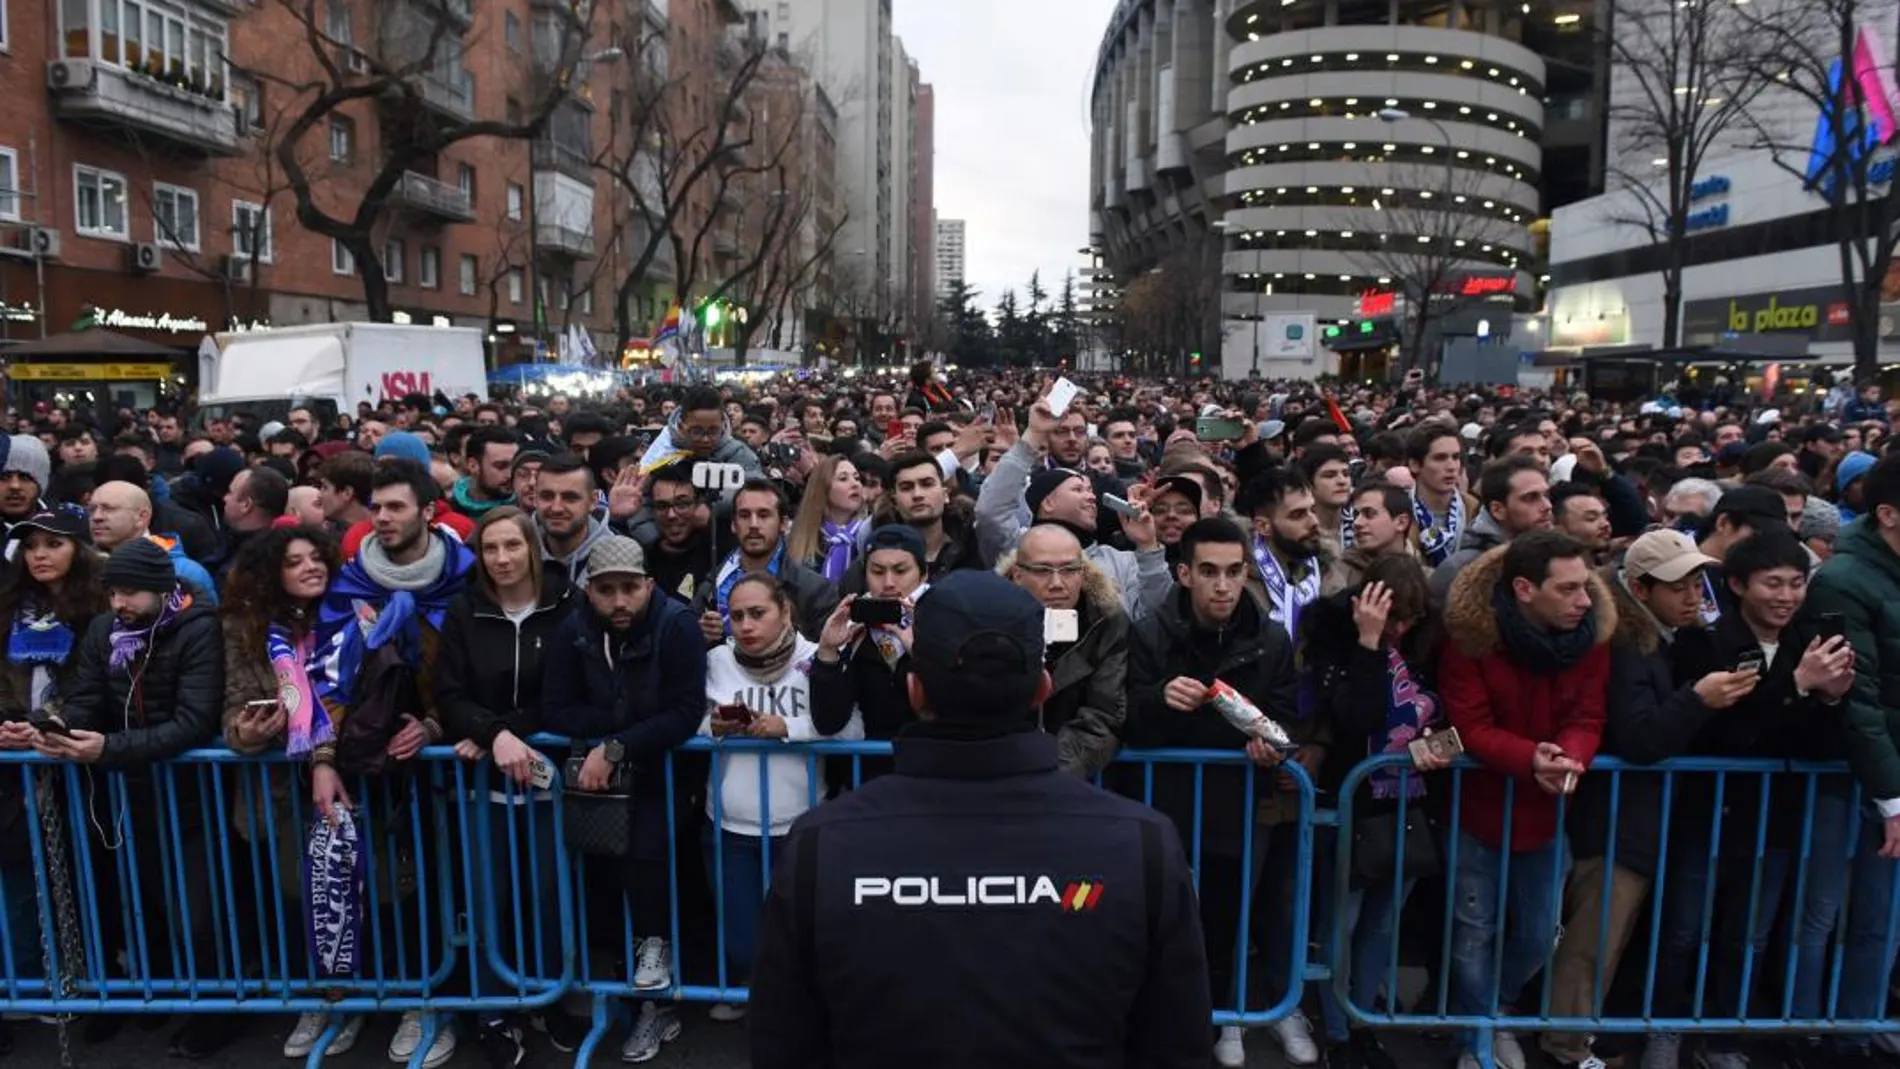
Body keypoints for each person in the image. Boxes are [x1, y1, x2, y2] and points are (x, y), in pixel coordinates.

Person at [748, 570, 1212, 1069]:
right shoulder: (1140, 844)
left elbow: (783, 1041)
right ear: (1043, 689)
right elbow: (1178, 1042)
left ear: (915, 690)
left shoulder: (824, 844)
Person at [1123, 516, 1314, 1068]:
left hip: (1237, 807)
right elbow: (1126, 719)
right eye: (1208, 571)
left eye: (1234, 572)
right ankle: (1156, 1025)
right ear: (1184, 573)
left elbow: (1280, 718)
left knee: (1226, 920)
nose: (1223, 585)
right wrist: (1161, 700)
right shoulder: (1151, 633)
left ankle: (1222, 1019)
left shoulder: (1271, 638)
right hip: (1163, 806)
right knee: (1156, 923)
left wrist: (1269, 745)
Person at [308, 459, 474, 1068]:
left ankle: (430, 1002)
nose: (382, 518)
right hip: (365, 769)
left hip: (444, 769)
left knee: (440, 891)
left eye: (396, 507)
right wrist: (324, 756)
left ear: (429, 511)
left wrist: (434, 725)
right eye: (376, 507)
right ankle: (369, 997)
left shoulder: (466, 579)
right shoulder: (350, 583)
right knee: (366, 889)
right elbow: (323, 676)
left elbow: (477, 676)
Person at [42, 538, 230, 1057]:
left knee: (196, 912)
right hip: (127, 794)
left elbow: (193, 722)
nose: (118, 604)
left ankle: (216, 1014)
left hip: (190, 794)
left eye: (128, 593)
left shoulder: (197, 627)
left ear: (160, 589)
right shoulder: (106, 630)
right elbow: (86, 697)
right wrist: (62, 726)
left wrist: (108, 748)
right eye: (112, 593)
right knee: (142, 905)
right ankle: (162, 997)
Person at [1440, 531, 1613, 1069]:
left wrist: (1571, 757)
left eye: (1585, 587)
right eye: (1568, 590)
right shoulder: (1470, 639)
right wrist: (1529, 758)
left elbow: (1587, 716)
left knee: (1538, 936)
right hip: (1478, 810)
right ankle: (1478, 1035)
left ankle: (1492, 1009)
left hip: (1546, 811)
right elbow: (1470, 724)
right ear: (1523, 589)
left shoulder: (1592, 641)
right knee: (1473, 934)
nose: (1584, 600)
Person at [540, 536, 706, 1063]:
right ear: (588, 591)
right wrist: (617, 734)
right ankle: (622, 998)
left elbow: (685, 711)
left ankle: (659, 1005)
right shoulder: (574, 628)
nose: (618, 601)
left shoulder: (675, 624)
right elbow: (557, 709)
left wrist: (617, 744)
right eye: (605, 589)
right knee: (600, 885)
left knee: (650, 870)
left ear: (648, 586)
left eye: (628, 589)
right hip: (598, 781)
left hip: (663, 775)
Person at [436, 507, 576, 1064]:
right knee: (487, 896)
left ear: (532, 548)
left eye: (511, 547)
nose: (501, 559)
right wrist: (489, 733)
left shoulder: (567, 605)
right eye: (490, 549)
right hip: (481, 787)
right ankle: (495, 1010)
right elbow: (449, 694)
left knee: (547, 895)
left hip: (548, 784)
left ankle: (549, 997)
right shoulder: (465, 609)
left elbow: (568, 694)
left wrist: (503, 732)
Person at [1299, 555, 1448, 1069]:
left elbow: (1443, 710)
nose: (1400, 629)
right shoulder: (1338, 638)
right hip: (1354, 803)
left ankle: (1364, 1020)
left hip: (1411, 803)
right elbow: (1355, 716)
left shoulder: (1424, 646)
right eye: (1393, 617)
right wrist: (1368, 642)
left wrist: (1439, 742)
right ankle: (1338, 1029)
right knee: (1344, 921)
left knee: (1383, 926)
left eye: (1410, 620)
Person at [698, 573, 863, 1021]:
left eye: (757, 613)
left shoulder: (819, 656)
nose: (746, 626)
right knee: (741, 937)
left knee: (805, 931)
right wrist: (710, 728)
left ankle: (801, 1011)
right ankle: (754, 996)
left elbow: (852, 729)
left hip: (801, 822)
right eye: (736, 617)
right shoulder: (715, 660)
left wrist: (786, 729)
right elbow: (687, 721)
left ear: (785, 611)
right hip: (730, 825)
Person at [217, 524, 354, 1060]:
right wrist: (243, 734)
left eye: (317, 557)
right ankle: (324, 1000)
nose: (310, 568)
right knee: (301, 899)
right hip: (278, 791)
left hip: (350, 779)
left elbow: (361, 699)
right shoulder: (242, 628)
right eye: (294, 562)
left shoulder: (351, 613)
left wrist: (325, 755)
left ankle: (393, 998)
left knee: (371, 892)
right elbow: (229, 706)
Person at [1802, 452, 1900, 1069]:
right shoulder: (1842, 579)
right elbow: (1858, 700)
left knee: (1881, 923)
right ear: (1887, 514)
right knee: (1831, 920)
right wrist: (1893, 796)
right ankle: (1820, 1036)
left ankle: (1859, 1028)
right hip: (1848, 780)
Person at [0, 508, 103, 1053]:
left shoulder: (101, 606)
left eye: (52, 544)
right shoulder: (9, 608)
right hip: (16, 764)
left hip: (77, 760)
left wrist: (55, 723)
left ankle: (95, 979)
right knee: (21, 877)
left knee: (90, 878)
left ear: (78, 550)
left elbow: (97, 681)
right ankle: (32, 981)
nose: (39, 555)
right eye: (31, 546)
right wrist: (7, 728)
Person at [1001, 523, 1128, 778]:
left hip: (1072, 782)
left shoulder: (1107, 622)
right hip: (1002, 778)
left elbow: (1104, 716)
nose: (1057, 583)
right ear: (1017, 575)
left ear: (1082, 574)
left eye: (1069, 570)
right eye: (1042, 570)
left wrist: (1051, 775)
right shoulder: (988, 620)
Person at [694, 478, 838, 644]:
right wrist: (700, 638)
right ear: (734, 524)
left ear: (783, 524)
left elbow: (824, 658)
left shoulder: (815, 591)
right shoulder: (710, 587)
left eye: (763, 515)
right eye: (744, 515)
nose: (753, 524)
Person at [529, 453, 613, 588]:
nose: (556, 508)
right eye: (547, 496)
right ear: (534, 498)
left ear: (593, 501)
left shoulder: (618, 558)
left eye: (570, 498)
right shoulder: (513, 552)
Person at [786, 454, 868, 584]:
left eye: (857, 478)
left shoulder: (868, 534)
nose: (855, 484)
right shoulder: (799, 540)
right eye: (843, 479)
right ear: (823, 489)